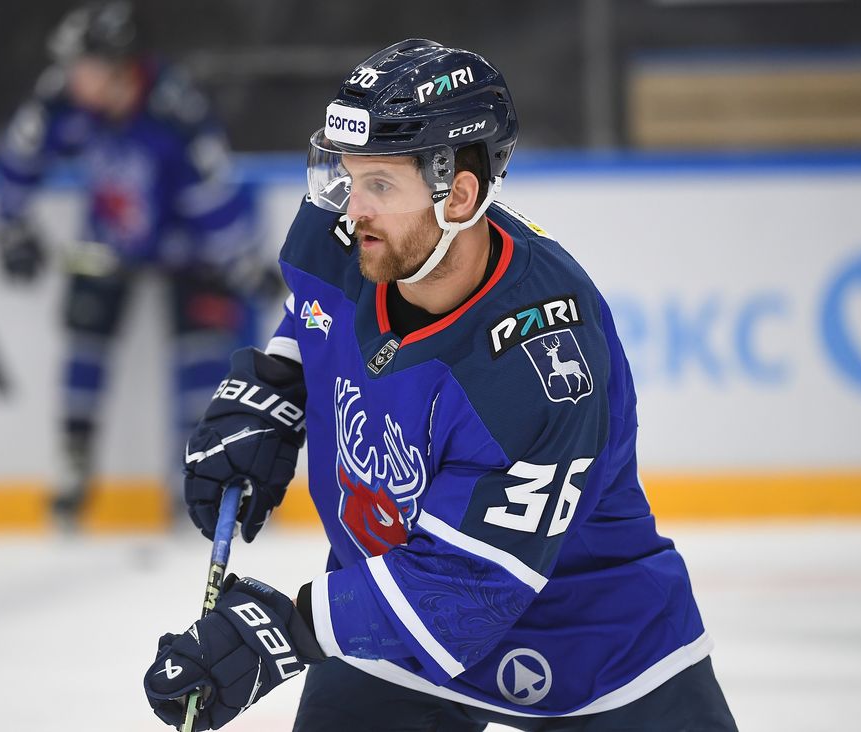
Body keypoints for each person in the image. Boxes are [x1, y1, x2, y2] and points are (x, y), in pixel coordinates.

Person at [143, 39, 738, 731]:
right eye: (346, 174)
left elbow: (466, 589)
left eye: (380, 185)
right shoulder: (358, 238)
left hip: (594, 648)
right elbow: (317, 311)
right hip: (388, 623)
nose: (350, 208)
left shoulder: (543, 365)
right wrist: (275, 387)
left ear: (459, 195)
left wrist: (284, 629)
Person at [0, 2, 276, 525]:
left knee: (201, 351)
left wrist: (239, 260)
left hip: (188, 246)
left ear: (117, 68)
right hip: (111, 240)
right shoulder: (63, 97)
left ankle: (193, 474)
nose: (70, 76)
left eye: (82, 65)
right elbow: (19, 153)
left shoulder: (173, 109)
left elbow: (212, 192)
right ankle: (74, 464)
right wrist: (11, 223)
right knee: (85, 335)